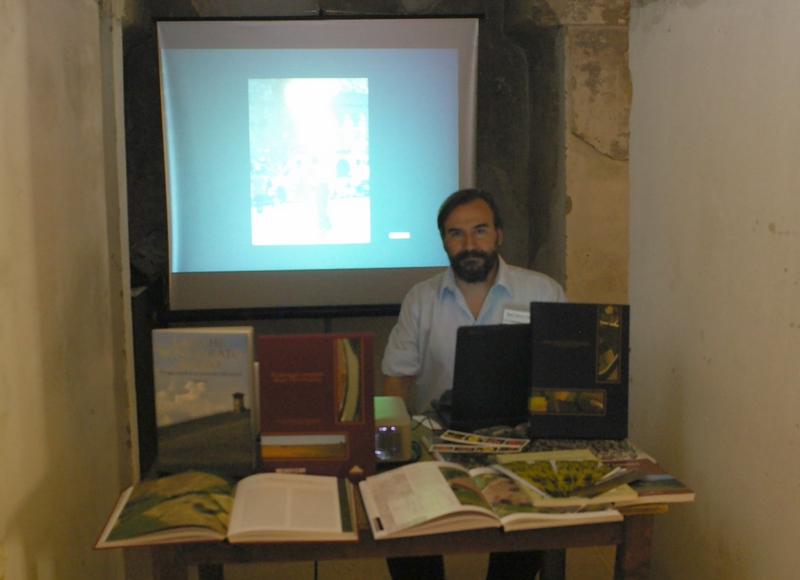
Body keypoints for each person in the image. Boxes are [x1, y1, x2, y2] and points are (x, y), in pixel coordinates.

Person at [381, 188, 566, 580]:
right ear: (444, 241)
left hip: (519, 445)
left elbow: (562, 378)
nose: (469, 244)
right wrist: (390, 454)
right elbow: (395, 381)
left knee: (522, 540)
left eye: (479, 231)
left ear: (499, 234)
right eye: (456, 234)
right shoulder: (421, 299)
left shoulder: (542, 292)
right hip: (437, 446)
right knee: (404, 521)